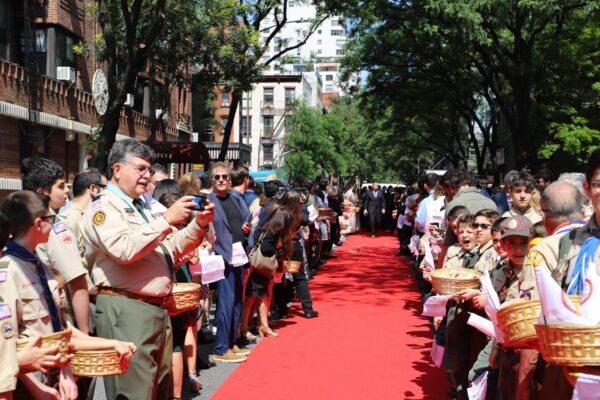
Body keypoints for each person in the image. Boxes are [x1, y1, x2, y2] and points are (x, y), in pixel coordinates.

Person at [81, 139, 214, 399]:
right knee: (134, 393)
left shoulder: (140, 205)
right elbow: (124, 250)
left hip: (154, 308)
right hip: (127, 308)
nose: (147, 175)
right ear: (117, 169)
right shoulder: (104, 206)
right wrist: (166, 220)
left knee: (158, 390)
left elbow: (170, 249)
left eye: (149, 170)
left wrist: (198, 225)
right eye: (140, 168)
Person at [21, 157, 91, 335]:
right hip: (55, 322)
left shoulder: (17, 221)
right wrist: (85, 333)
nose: (67, 190)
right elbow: (76, 281)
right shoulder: (53, 226)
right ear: (42, 192)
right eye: (60, 186)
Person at [207, 162, 253, 363]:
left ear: (229, 179)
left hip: (239, 254)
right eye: (217, 177)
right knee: (226, 302)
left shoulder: (236, 198)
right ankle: (221, 347)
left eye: (224, 176)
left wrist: (246, 229)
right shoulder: (209, 201)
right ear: (212, 180)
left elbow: (245, 219)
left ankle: (232, 341)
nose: (221, 180)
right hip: (222, 255)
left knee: (236, 301)